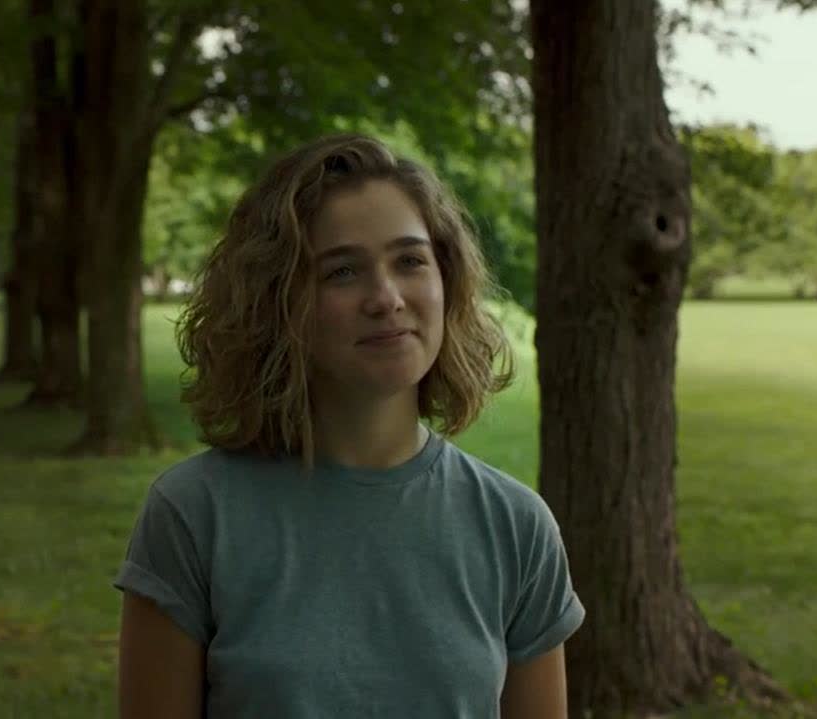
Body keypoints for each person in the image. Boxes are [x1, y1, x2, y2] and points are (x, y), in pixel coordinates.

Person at [113, 133, 585, 718]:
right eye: (341, 272)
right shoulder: (194, 517)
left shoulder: (515, 527)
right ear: (277, 301)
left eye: (409, 261)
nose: (386, 298)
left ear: (447, 279)